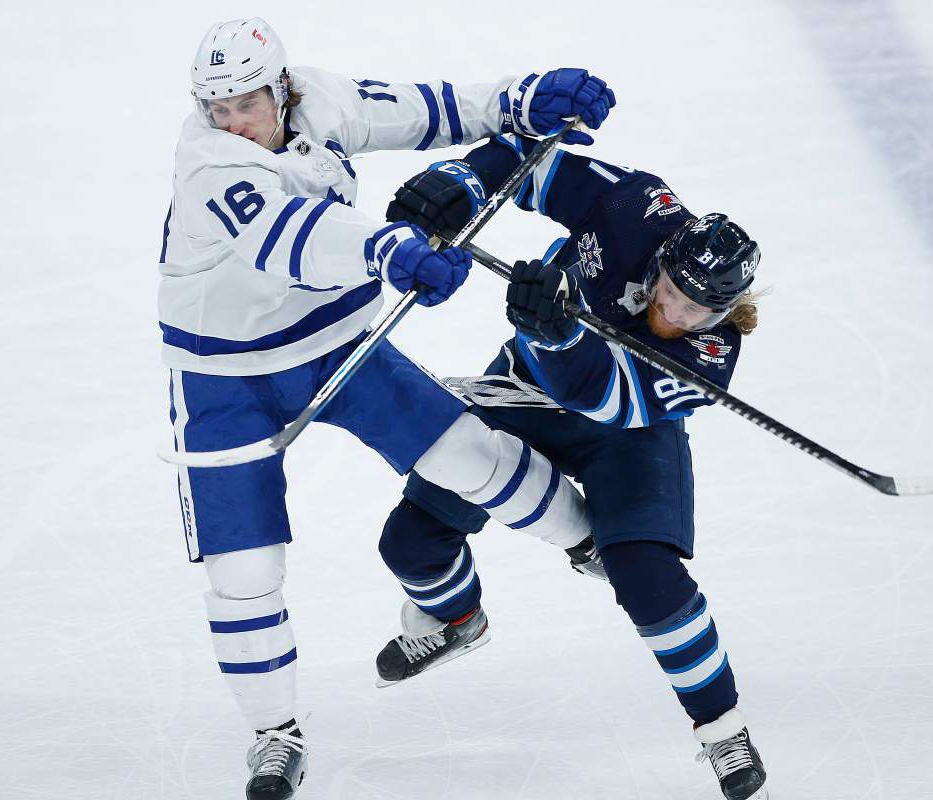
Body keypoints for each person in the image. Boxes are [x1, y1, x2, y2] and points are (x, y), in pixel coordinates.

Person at [157, 17, 617, 800]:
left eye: (246, 103)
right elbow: (284, 236)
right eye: (217, 107)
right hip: (223, 378)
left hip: (337, 341)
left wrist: (522, 99)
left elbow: (425, 108)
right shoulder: (209, 163)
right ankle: (274, 736)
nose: (233, 120)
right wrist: (384, 250)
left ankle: (595, 547)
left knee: (470, 456)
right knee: (245, 574)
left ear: (282, 88)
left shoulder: (320, 100)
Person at [373, 134, 769, 800]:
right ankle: (456, 621)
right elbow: (539, 164)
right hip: (524, 391)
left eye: (695, 309)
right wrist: (462, 184)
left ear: (723, 312)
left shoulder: (711, 355)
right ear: (666, 258)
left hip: (629, 435)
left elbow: (606, 399)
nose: (671, 312)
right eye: (671, 290)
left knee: (647, 577)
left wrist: (552, 333)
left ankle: (722, 726)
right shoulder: (639, 210)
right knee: (409, 543)